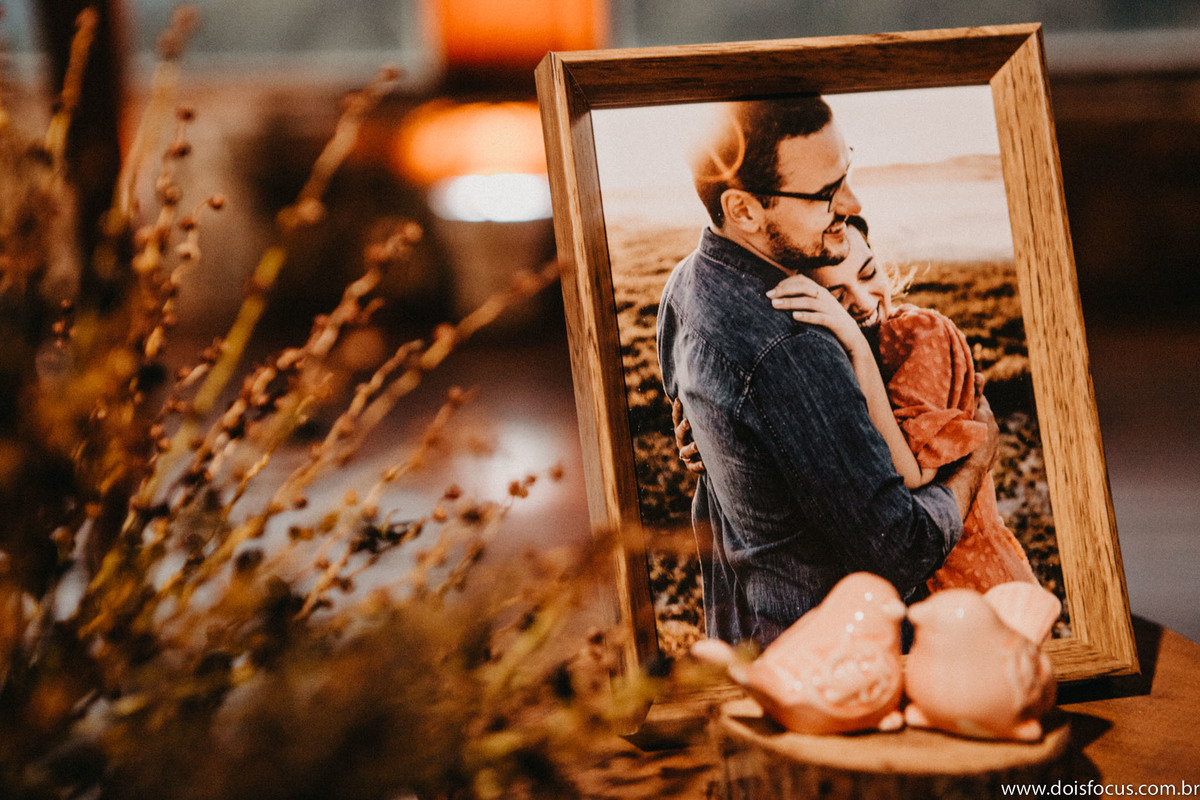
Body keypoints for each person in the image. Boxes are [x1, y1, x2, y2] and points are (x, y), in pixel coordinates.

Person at [657, 96, 1000, 646]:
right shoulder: (795, 347)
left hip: (743, 624)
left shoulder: (686, 284)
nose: (852, 202)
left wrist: (724, 449)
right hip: (831, 651)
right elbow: (900, 546)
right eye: (823, 194)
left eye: (846, 174)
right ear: (744, 209)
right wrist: (976, 461)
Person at [763, 215, 1038, 592]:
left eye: (868, 272)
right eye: (837, 297)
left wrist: (856, 345)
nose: (861, 302)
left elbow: (910, 473)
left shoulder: (920, 336)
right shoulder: (827, 362)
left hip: (973, 575)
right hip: (911, 588)